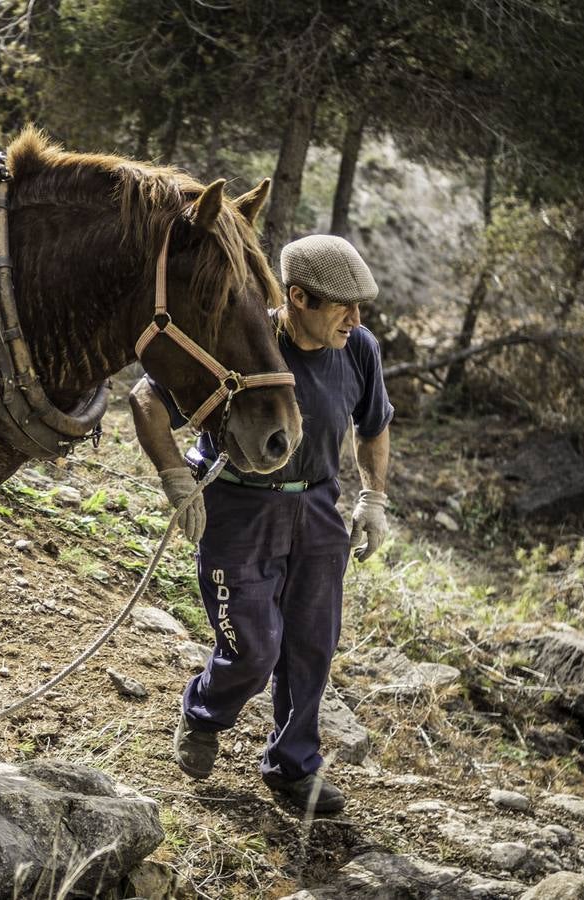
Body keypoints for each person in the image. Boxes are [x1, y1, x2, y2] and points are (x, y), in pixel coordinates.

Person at [129, 234, 393, 815]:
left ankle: (293, 766)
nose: (356, 318)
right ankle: (205, 714)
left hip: (318, 510)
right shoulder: (245, 340)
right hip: (239, 508)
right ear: (297, 297)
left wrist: (373, 497)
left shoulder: (359, 349)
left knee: (311, 648)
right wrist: (175, 475)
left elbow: (373, 425)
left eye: (361, 306)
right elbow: (147, 399)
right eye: (342, 305)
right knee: (253, 648)